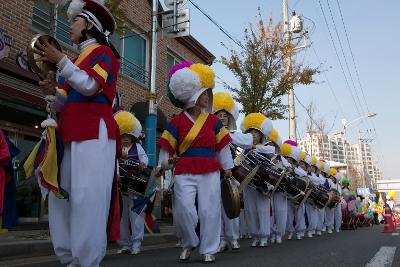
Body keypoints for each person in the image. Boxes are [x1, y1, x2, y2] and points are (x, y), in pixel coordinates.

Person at [36, 1, 120, 266]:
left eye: (75, 21)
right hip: (70, 132)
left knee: (88, 199)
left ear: (90, 26)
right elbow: (65, 100)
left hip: (95, 132)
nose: (70, 24)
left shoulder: (104, 54)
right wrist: (52, 94)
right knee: (63, 197)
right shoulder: (73, 61)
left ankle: (87, 261)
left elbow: (90, 86)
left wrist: (60, 61)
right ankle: (70, 258)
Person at [157, 61, 233, 263]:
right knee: (184, 209)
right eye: (204, 93)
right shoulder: (176, 122)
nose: (208, 97)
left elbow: (223, 146)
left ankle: (209, 248)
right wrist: (163, 164)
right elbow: (166, 147)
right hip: (184, 169)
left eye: (207, 94)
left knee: (209, 209)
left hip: (209, 169)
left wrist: (227, 167)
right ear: (194, 97)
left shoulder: (213, 121)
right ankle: (189, 241)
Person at [213, 92, 253, 253]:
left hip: (229, 174)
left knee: (231, 206)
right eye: (219, 115)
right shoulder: (211, 133)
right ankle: (221, 240)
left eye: (225, 115)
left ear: (230, 118)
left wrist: (227, 135)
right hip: (213, 173)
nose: (222, 118)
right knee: (216, 208)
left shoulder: (234, 134)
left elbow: (248, 141)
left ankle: (234, 238)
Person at [114, 111, 149, 255]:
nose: (126, 139)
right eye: (123, 136)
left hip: (134, 185)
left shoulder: (138, 148)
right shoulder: (116, 149)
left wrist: (142, 164)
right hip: (120, 185)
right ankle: (125, 244)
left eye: (128, 136)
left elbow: (145, 161)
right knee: (122, 215)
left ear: (133, 137)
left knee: (135, 214)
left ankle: (136, 243)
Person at [240, 113, 275, 248]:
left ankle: (264, 236)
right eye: (251, 132)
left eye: (256, 132)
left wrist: (255, 147)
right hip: (249, 183)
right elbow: (240, 161)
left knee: (262, 210)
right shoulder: (244, 149)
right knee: (251, 210)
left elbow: (271, 151)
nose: (253, 135)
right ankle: (255, 235)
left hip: (262, 182)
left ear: (261, 135)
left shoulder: (266, 147)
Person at [267, 129, 290, 245]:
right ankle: (271, 233)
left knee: (280, 211)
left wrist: (281, 166)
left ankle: (279, 234)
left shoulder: (283, 159)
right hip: (269, 189)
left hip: (280, 190)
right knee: (270, 213)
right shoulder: (265, 156)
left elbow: (290, 170)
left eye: (272, 144)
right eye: (268, 144)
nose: (270, 146)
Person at [281, 140, 305, 240]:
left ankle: (300, 231)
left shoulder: (299, 170)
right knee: (289, 215)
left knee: (299, 214)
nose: (288, 160)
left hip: (299, 194)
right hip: (288, 195)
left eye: (290, 158)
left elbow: (304, 176)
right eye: (286, 158)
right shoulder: (283, 166)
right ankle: (290, 231)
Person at [300, 152, 318, 238]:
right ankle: (301, 230)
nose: (301, 165)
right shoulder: (298, 172)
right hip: (300, 197)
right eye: (300, 164)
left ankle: (311, 230)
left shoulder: (312, 176)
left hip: (310, 198)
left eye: (303, 164)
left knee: (312, 215)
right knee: (301, 214)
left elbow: (318, 181)